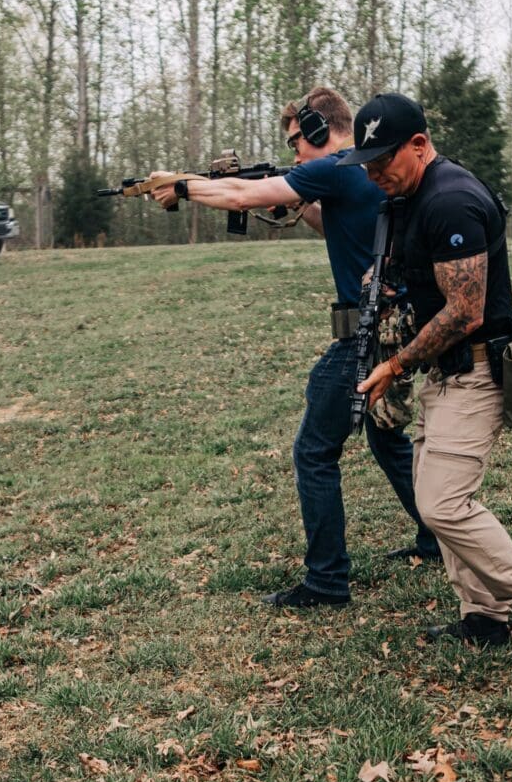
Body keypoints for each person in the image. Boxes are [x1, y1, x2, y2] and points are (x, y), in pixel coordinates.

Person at [148, 86, 440, 608]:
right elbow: (334, 221)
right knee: (387, 439)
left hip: (362, 333)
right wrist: (295, 193)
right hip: (397, 329)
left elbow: (238, 196)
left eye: (296, 144)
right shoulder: (359, 177)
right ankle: (435, 537)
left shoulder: (333, 169)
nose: (294, 156)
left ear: (319, 131)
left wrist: (182, 186)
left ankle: (326, 581)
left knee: (313, 452)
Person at [345, 92, 512, 678]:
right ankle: (486, 614)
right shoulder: (404, 196)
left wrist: (393, 368)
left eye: (382, 162)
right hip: (443, 373)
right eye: (365, 164)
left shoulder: (452, 201)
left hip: (476, 368)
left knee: (443, 504)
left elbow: (464, 312)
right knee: (432, 493)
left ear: (419, 145)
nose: (373, 175)